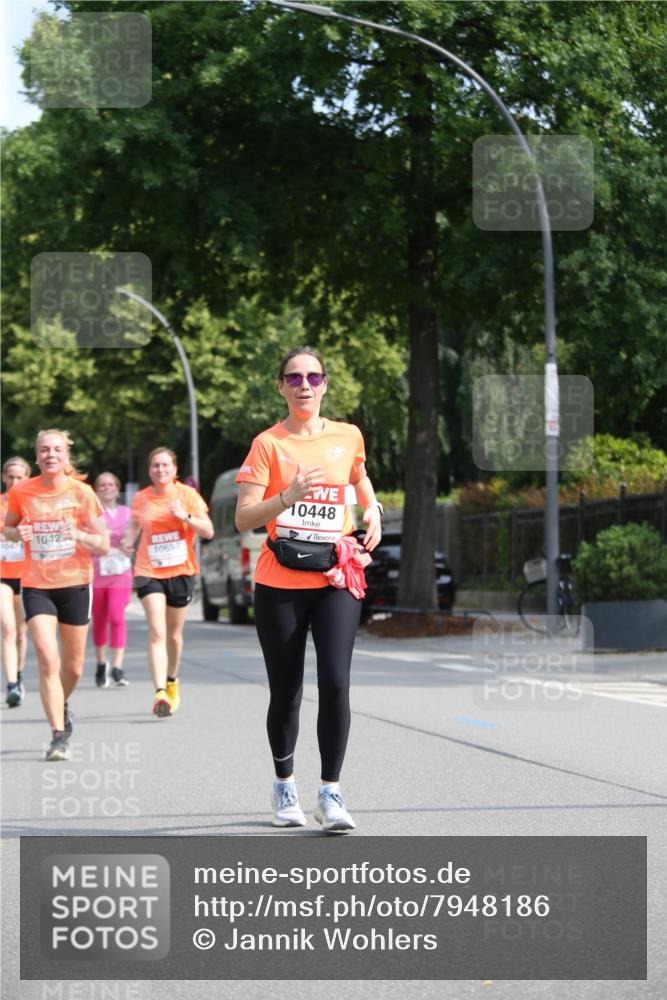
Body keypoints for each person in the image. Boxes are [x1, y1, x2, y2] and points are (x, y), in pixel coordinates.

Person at [235, 346, 383, 833]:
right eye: (294, 377)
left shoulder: (348, 436)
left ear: (324, 385)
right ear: (281, 386)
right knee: (287, 691)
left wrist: (373, 509)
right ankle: (284, 785)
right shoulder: (267, 444)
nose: (305, 385)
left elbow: (359, 478)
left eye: (313, 377)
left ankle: (331, 792)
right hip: (280, 580)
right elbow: (243, 518)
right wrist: (288, 496)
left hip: (336, 575)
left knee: (336, 681)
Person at [3, 430, 109, 761]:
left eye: (57, 450)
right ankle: (58, 735)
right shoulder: (22, 491)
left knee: (73, 668)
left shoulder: (82, 493)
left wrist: (78, 534)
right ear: (37, 457)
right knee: (48, 659)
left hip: (75, 584)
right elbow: (8, 528)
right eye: (45, 450)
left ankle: (61, 702)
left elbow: (103, 543)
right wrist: (16, 533)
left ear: (66, 455)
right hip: (37, 584)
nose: (51, 455)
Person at [122, 447, 213, 717]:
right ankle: (160, 691)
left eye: (165, 465)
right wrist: (128, 542)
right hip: (148, 570)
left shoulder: (187, 495)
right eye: (155, 466)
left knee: (173, 635)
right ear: (149, 470)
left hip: (181, 572)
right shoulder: (141, 498)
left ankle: (172, 679)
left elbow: (208, 531)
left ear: (174, 469)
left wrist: (185, 516)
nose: (160, 470)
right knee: (157, 632)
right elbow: (134, 527)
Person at [92, 472, 133, 688]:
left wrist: (129, 542)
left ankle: (117, 667)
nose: (107, 488)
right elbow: (86, 541)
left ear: (117, 489)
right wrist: (101, 536)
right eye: (102, 485)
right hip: (97, 572)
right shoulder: (91, 514)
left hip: (120, 572)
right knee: (99, 619)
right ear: (96, 491)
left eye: (110, 484)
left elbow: (133, 538)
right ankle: (101, 664)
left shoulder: (127, 513)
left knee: (117, 617)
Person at [1, 456, 31, 706]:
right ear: (3, 478)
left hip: (27, 576)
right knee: (8, 630)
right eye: (10, 477)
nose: (14, 481)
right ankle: (11, 685)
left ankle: (19, 676)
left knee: (21, 634)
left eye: (20, 477)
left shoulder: (32, 507)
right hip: (2, 575)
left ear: (27, 478)